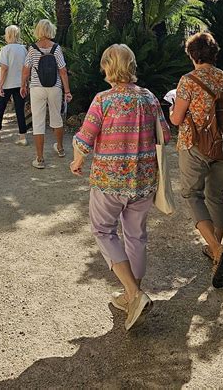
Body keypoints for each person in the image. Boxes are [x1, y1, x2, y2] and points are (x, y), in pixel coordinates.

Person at [70, 43, 171, 331]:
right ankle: (132, 295)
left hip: (109, 181)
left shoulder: (103, 100)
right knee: (136, 237)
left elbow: (85, 139)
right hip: (143, 180)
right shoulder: (149, 98)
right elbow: (165, 136)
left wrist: (76, 162)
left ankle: (134, 294)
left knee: (103, 230)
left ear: (107, 68)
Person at [170, 31, 223, 289]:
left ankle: (216, 249)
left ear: (192, 55)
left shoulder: (188, 81)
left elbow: (177, 119)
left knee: (192, 195)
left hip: (195, 145)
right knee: (216, 196)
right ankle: (215, 251)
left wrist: (171, 107)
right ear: (214, 53)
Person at [20, 19, 72, 169]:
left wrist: (23, 85)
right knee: (57, 117)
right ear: (51, 31)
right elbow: (62, 70)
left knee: (38, 122)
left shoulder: (32, 48)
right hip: (54, 87)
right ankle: (60, 148)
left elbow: (25, 70)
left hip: (37, 88)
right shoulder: (56, 48)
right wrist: (67, 91)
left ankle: (40, 158)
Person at [0, 25, 28, 145]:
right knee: (20, 110)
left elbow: (4, 68)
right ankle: (22, 136)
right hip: (20, 83)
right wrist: (24, 83)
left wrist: (0, 85)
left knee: (0, 108)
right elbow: (26, 68)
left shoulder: (5, 49)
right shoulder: (23, 49)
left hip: (7, 84)